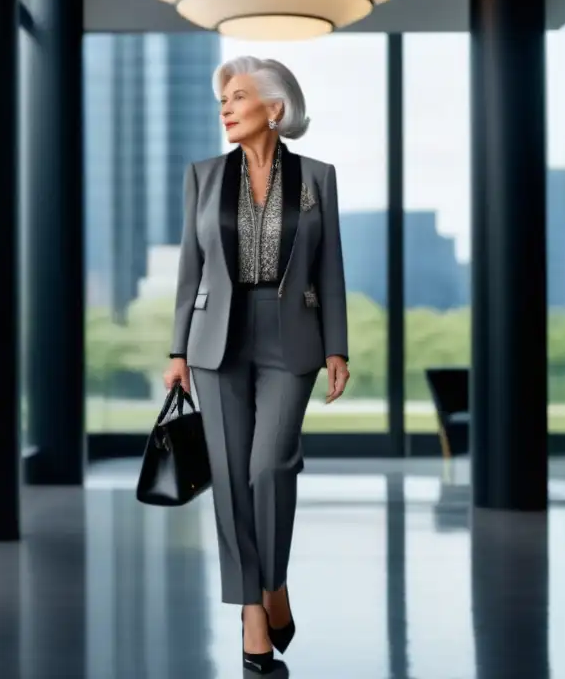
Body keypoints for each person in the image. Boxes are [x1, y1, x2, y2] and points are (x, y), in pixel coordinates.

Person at [163, 56, 350, 675]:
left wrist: (337, 346)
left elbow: (330, 269)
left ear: (274, 108)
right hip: (216, 337)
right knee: (229, 474)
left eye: (237, 96)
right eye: (222, 98)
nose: (225, 107)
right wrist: (176, 349)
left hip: (290, 336)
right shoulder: (204, 175)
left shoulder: (317, 177)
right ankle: (252, 608)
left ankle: (274, 583)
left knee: (270, 465)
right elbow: (190, 268)